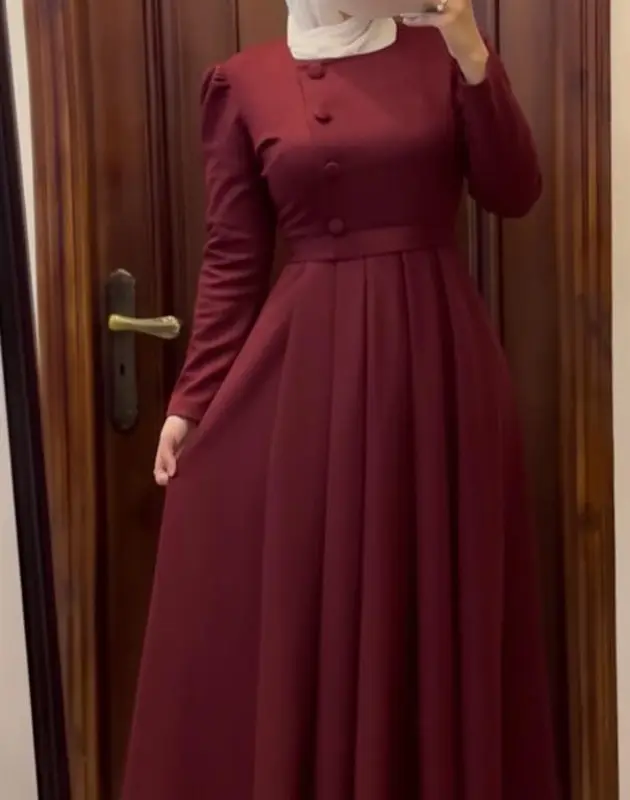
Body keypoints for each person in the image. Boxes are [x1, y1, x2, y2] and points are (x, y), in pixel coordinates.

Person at [122, 0, 558, 797]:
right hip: (310, 382)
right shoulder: (244, 82)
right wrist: (191, 402)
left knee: (431, 600)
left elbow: (514, 189)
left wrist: (469, 48)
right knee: (317, 600)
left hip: (438, 371)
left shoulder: (441, 54)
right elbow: (233, 258)